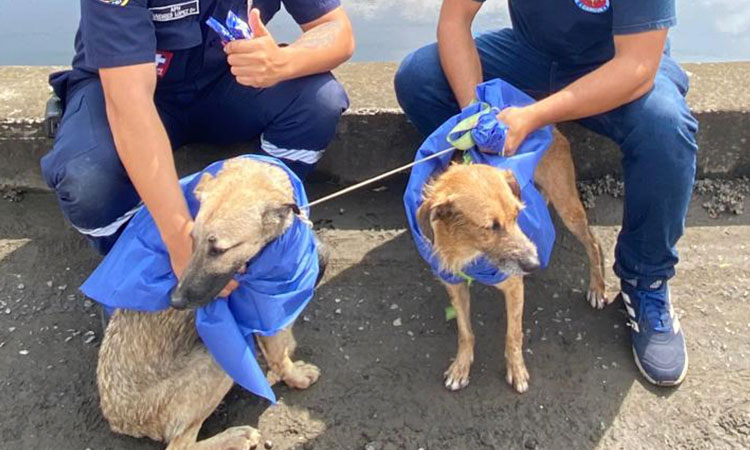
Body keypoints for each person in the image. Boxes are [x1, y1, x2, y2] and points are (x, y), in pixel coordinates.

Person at [394, 0, 697, 386]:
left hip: (612, 63)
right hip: (530, 56)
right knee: (420, 76)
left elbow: (637, 68)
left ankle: (646, 280)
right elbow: (455, 19)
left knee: (667, 129)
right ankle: (468, 211)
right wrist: (477, 115)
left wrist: (532, 117)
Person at [41, 0, 354, 296]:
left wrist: (283, 62)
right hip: (128, 90)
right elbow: (129, 105)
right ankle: (139, 262)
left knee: (318, 103)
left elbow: (335, 29)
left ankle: (262, 236)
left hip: (226, 81)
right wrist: (180, 236)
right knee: (87, 180)